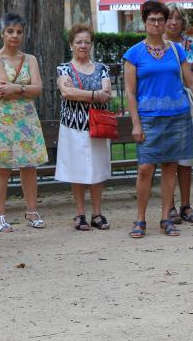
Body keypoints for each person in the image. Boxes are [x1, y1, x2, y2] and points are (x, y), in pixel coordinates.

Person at [123, 0, 193, 238]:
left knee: (170, 167)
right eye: (152, 20)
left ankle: (165, 217)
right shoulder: (134, 54)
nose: (157, 24)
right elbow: (130, 91)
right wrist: (136, 124)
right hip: (149, 118)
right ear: (145, 22)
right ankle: (140, 218)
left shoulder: (175, 50)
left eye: (161, 19)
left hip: (177, 116)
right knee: (145, 168)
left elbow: (191, 81)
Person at [0, 12, 48, 232]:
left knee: (29, 165)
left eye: (19, 32)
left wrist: (19, 88)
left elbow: (38, 88)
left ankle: (32, 211)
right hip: (4, 119)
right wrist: (25, 89)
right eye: (10, 31)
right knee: (2, 168)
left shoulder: (30, 59)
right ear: (2, 33)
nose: (14, 36)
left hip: (27, 119)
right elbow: (5, 91)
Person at [56, 24, 113, 231]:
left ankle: (97, 213)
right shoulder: (64, 68)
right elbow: (67, 93)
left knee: (97, 169)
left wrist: (82, 92)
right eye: (78, 42)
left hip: (97, 126)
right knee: (76, 170)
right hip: (73, 126)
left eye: (86, 42)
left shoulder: (102, 68)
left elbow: (107, 92)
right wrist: (94, 94)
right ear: (71, 44)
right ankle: (80, 214)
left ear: (91, 44)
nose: (83, 45)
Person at [164, 3, 193, 223]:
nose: (173, 22)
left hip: (187, 103)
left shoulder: (189, 43)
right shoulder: (157, 45)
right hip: (165, 105)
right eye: (169, 18)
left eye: (177, 18)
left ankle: (185, 205)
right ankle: (168, 205)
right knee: (168, 157)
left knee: (186, 158)